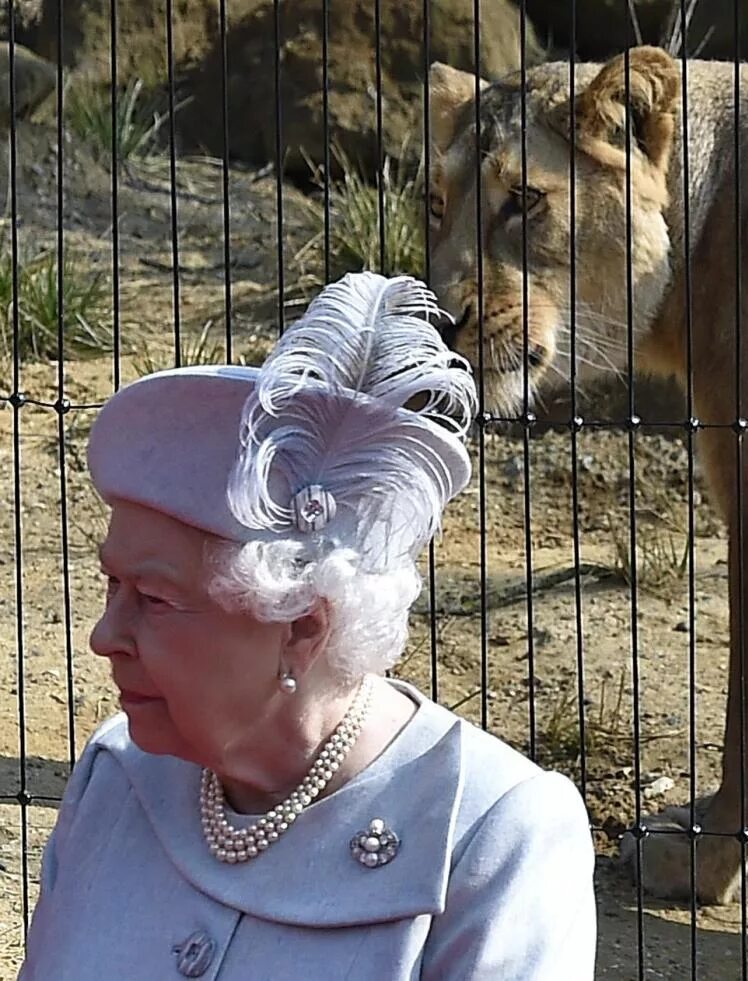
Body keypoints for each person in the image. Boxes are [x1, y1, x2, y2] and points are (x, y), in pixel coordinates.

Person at [18, 271, 597, 979]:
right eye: (113, 583)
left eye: (155, 597)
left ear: (301, 624)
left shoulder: (489, 838)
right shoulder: (116, 780)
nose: (104, 635)